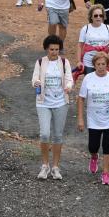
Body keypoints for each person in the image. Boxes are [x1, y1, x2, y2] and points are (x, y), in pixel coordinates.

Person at [77, 52, 109, 185]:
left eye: (104, 64)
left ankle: (106, 173)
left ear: (107, 65)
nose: (101, 67)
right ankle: (94, 156)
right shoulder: (88, 78)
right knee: (93, 146)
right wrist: (80, 118)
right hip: (93, 119)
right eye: (98, 64)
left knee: (108, 146)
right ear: (94, 65)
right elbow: (81, 99)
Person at [32, 35, 73, 180]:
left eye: (56, 49)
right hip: (43, 102)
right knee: (44, 133)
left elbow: (69, 78)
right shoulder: (40, 62)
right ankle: (45, 165)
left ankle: (55, 167)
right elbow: (34, 78)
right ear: (46, 49)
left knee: (57, 135)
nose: (54, 52)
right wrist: (36, 82)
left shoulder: (64, 62)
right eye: (51, 49)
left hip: (61, 102)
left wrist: (68, 87)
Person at [77, 4, 109, 75]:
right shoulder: (85, 29)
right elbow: (80, 46)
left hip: (103, 62)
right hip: (89, 62)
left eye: (100, 15)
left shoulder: (108, 28)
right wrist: (79, 61)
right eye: (95, 15)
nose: (98, 17)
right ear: (91, 17)